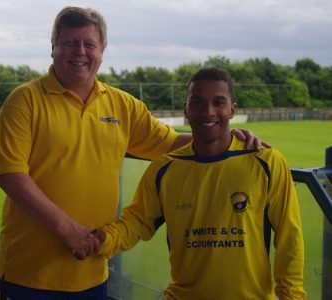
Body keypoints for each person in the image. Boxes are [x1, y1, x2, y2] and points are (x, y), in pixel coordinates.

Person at [0, 6, 265, 300]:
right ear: (53, 47)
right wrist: (67, 229)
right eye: (70, 42)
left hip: (92, 270)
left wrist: (228, 137)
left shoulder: (122, 105)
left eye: (89, 44)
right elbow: (10, 174)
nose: (80, 51)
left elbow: (170, 142)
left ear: (102, 51)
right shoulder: (25, 101)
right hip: (30, 275)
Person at [94, 67, 306, 299]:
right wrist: (103, 240)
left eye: (218, 102)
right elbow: (137, 223)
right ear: (186, 109)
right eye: (197, 102)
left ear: (232, 109)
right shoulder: (164, 169)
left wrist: (292, 296)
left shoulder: (266, 161)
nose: (208, 111)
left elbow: (289, 237)